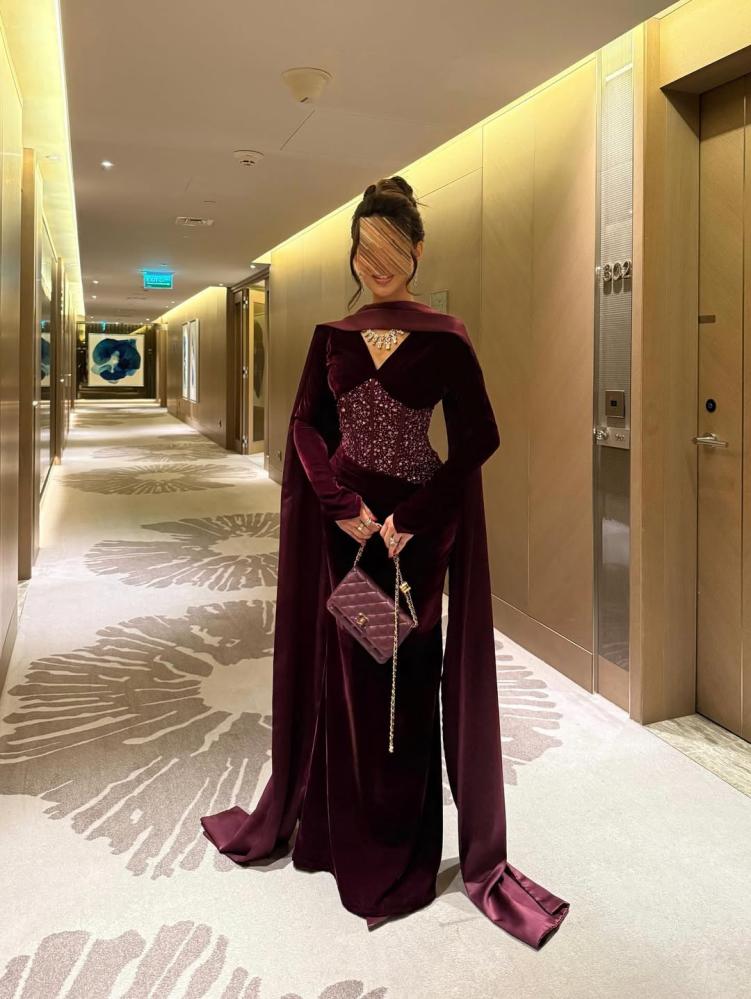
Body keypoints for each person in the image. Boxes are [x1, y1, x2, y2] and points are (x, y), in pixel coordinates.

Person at [200, 176, 570, 949]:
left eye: (389, 251)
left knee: (397, 684)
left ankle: (393, 851)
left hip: (410, 540)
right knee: (345, 681)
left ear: (417, 251)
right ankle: (334, 834)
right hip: (347, 533)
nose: (374, 265)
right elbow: (305, 425)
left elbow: (477, 438)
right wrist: (339, 503)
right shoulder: (332, 337)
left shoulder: (444, 338)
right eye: (363, 251)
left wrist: (410, 518)